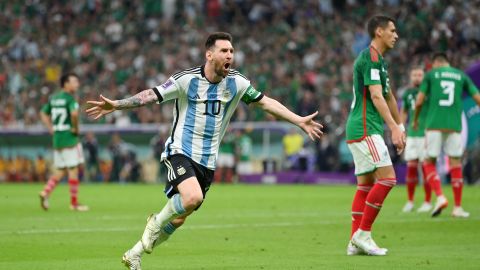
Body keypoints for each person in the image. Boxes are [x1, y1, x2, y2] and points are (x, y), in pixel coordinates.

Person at [86, 32, 323, 270]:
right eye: (224, 51)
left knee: (179, 218)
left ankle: (134, 253)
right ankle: (154, 223)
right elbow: (151, 95)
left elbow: (266, 102)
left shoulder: (237, 83)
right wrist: (117, 104)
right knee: (192, 197)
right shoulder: (186, 80)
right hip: (180, 150)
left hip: (207, 160)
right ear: (209, 55)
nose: (230, 55)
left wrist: (298, 120)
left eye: (231, 51)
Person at [345, 15, 405, 256]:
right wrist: (393, 128)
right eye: (392, 30)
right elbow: (377, 97)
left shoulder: (378, 60)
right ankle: (363, 234)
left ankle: (353, 242)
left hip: (362, 127)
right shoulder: (370, 57)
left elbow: (389, 96)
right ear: (379, 32)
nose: (396, 35)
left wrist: (400, 126)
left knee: (365, 185)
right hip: (366, 128)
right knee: (388, 179)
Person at [413, 52, 480, 218]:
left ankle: (440, 196)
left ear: (436, 63)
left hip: (434, 125)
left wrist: (415, 119)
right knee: (455, 163)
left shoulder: (431, 75)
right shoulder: (461, 76)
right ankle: (457, 207)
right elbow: (477, 97)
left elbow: (420, 101)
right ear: (447, 63)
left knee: (429, 162)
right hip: (454, 126)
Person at [39, 72, 89, 211]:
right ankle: (74, 203)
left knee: (61, 169)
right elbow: (74, 114)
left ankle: (45, 192)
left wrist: (50, 128)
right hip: (69, 138)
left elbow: (43, 113)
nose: (77, 84)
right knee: (73, 169)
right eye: (74, 81)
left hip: (57, 139)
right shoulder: (70, 99)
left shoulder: (54, 98)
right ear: (66, 84)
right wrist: (75, 129)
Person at [400, 67, 432, 213]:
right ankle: (410, 201)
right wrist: (401, 129)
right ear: (410, 77)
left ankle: (427, 201)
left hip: (425, 134)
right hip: (412, 134)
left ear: (424, 77)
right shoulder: (407, 93)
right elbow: (404, 111)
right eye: (414, 74)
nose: (417, 77)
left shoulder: (429, 93)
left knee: (426, 168)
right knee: (411, 167)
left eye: (419, 75)